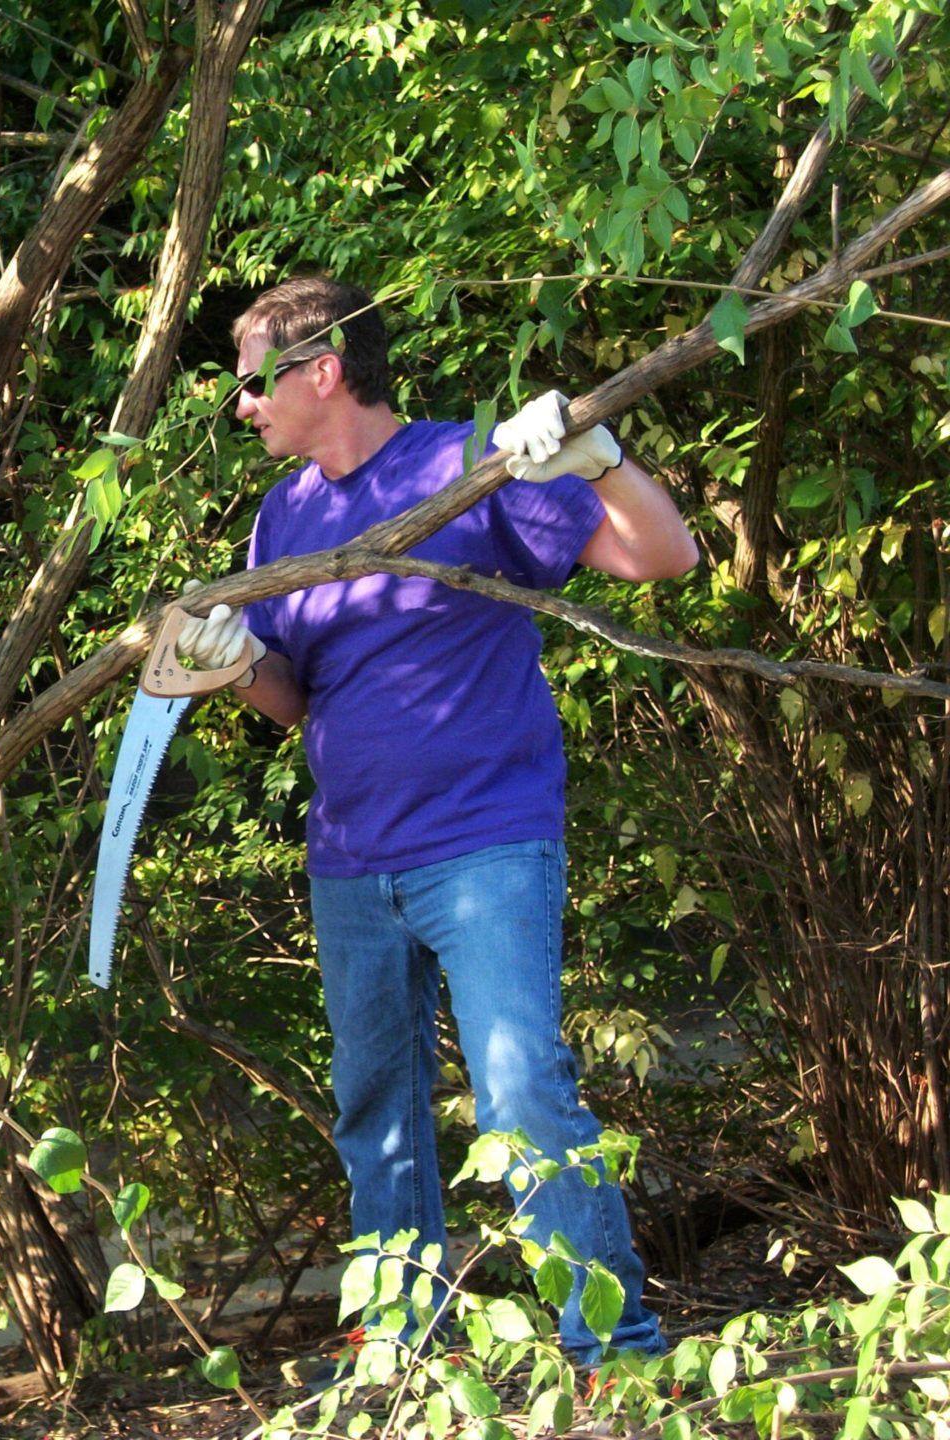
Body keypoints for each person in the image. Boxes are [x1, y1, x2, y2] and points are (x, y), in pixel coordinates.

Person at [178, 275, 697, 1365]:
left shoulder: (470, 463)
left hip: (484, 843)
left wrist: (598, 461)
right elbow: (296, 697)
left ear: (324, 371)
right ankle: (405, 1355)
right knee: (377, 1111)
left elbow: (663, 558)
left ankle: (618, 1355)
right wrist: (233, 666)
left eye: (253, 383)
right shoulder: (286, 515)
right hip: (351, 860)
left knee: (521, 1091)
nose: (243, 406)